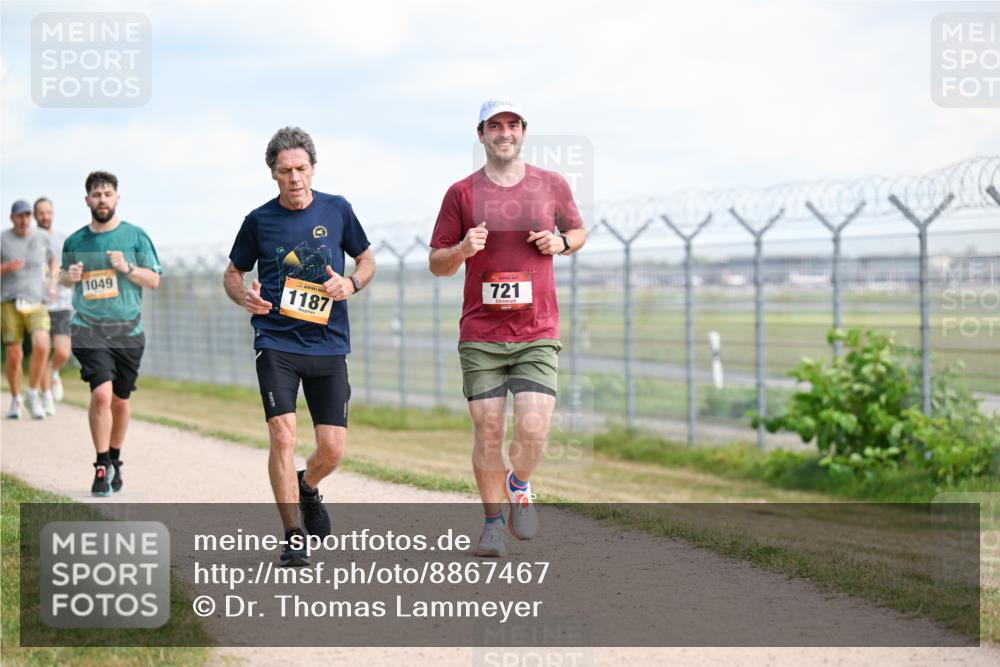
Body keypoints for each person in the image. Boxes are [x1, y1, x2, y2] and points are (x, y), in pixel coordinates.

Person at [429, 99, 587, 557]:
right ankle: (493, 524)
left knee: (534, 428)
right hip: (481, 334)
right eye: (495, 125)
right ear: (481, 134)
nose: (505, 132)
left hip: (537, 329)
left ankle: (519, 482)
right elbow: (437, 264)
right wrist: (462, 249)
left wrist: (560, 242)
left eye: (513, 124)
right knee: (489, 431)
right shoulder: (461, 193)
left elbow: (578, 232)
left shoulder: (551, 184)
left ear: (523, 132)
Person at [224, 127, 376, 567]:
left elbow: (367, 259)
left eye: (301, 168)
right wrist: (243, 296)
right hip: (276, 341)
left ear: (313, 168)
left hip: (329, 346)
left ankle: (306, 486)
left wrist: (351, 282)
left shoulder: (338, 209)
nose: (294, 178)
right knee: (282, 435)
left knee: (332, 450)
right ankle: (293, 535)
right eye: (285, 170)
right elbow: (232, 273)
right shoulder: (259, 221)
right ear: (273, 174)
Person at [60, 171, 161, 496]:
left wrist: (128, 268)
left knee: (120, 399)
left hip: (129, 331)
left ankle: (116, 457)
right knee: (101, 394)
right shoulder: (75, 242)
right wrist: (68, 276)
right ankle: (101, 465)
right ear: (87, 200)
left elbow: (154, 280)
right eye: (96, 194)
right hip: (89, 329)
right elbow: (62, 278)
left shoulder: (135, 237)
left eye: (107, 194)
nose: (102, 199)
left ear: (116, 198)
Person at [1, 199, 54, 420]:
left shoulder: (41, 237)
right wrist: (5, 267)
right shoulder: (3, 239)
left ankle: (33, 392)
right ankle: (16, 399)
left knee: (42, 345)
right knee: (15, 355)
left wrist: (52, 282)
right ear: (12, 217)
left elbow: (53, 259)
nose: (23, 220)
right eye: (19, 216)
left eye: (26, 216)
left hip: (36, 301)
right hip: (9, 301)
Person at [34, 197, 74, 414]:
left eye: (48, 212)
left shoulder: (63, 239)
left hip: (61, 303)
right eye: (41, 213)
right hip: (36, 304)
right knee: (41, 350)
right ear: (34, 215)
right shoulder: (29, 240)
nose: (45, 216)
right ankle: (46, 396)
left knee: (62, 352)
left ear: (53, 213)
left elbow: (71, 268)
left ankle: (53, 371)